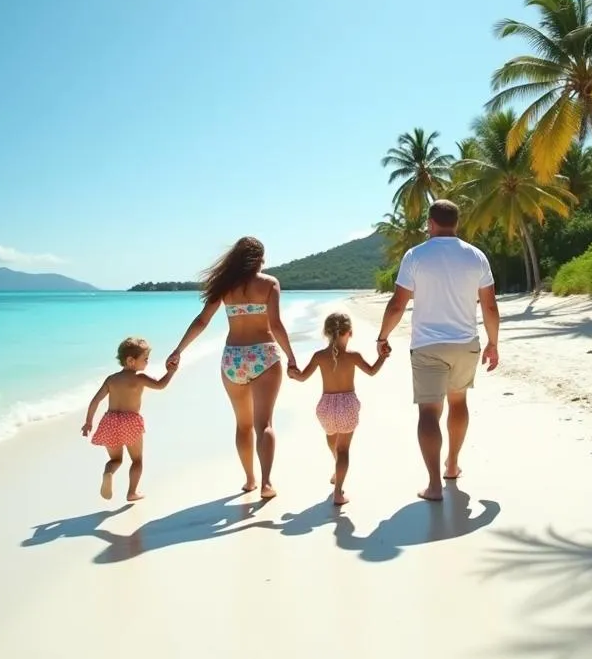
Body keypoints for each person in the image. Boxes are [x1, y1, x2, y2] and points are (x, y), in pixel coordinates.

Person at [375, 199, 500, 502]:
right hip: (465, 343)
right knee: (459, 403)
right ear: (456, 223)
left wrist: (382, 336)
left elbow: (397, 304)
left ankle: (434, 485)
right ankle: (453, 465)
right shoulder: (476, 256)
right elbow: (490, 305)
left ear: (430, 224)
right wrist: (494, 343)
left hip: (428, 346)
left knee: (429, 411)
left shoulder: (415, 255)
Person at [166, 236, 298, 499]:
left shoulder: (225, 287)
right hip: (264, 354)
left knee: (243, 425)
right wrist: (292, 357)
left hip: (233, 359)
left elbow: (202, 321)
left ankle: (249, 479)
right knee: (265, 425)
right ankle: (266, 483)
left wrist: (178, 350)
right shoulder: (270, 284)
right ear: (260, 259)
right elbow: (276, 324)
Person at [289, 312, 386, 506]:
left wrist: (292, 372)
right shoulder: (353, 356)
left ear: (326, 333)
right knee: (343, 450)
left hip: (325, 406)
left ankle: (336, 469)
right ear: (350, 333)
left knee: (331, 438)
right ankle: (338, 492)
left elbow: (302, 377)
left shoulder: (319, 356)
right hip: (347, 405)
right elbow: (372, 371)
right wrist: (383, 356)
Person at [82, 337, 175, 502]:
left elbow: (95, 401)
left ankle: (108, 473)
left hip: (109, 422)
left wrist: (88, 422)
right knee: (137, 460)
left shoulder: (111, 379)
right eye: (145, 359)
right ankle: (132, 493)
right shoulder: (140, 378)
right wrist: (171, 372)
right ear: (131, 361)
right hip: (130, 422)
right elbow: (161, 385)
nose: (147, 362)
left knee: (115, 459)